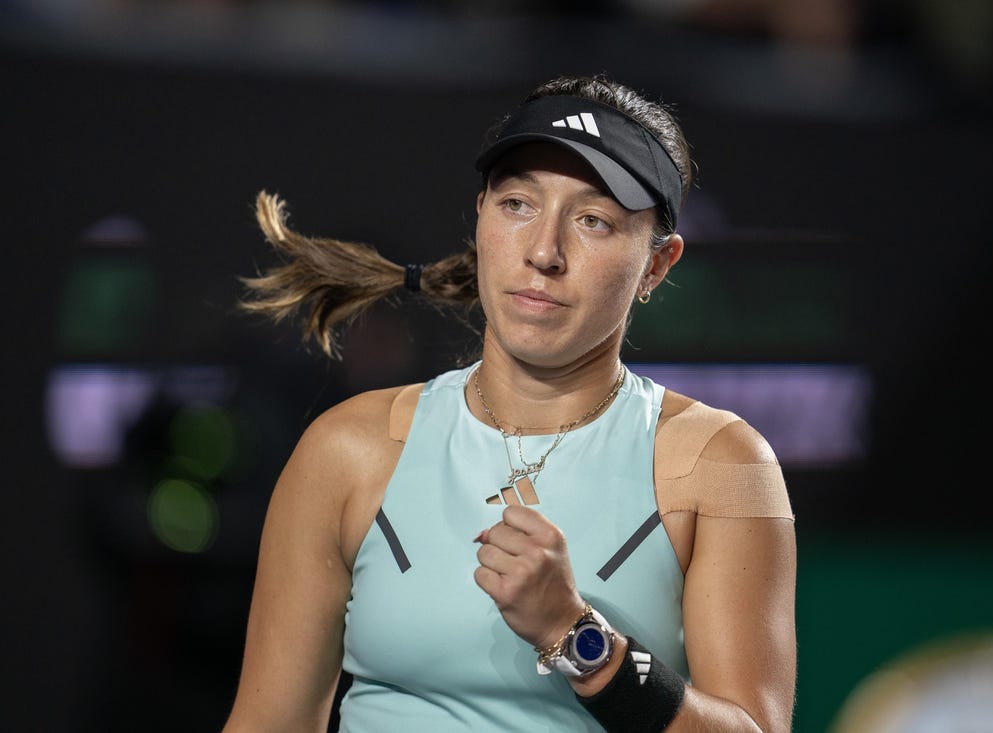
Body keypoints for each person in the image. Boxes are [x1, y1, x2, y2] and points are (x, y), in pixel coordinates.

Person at [222, 74, 796, 733]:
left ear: (657, 264)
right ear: (481, 216)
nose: (544, 251)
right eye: (518, 203)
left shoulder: (721, 462)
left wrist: (577, 636)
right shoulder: (348, 450)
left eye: (593, 220)